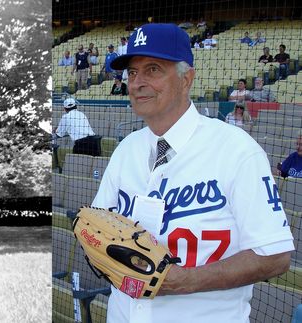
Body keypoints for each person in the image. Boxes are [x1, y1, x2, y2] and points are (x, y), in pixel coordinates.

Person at [91, 23, 293, 323]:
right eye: (132, 73)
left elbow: (275, 256)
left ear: (187, 79)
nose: (136, 83)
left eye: (153, 69)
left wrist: (180, 280)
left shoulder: (238, 151)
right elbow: (97, 224)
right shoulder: (126, 150)